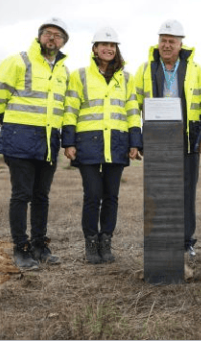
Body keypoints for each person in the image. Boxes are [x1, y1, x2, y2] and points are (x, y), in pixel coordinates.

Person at [0, 17, 70, 270]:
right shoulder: (18, 61)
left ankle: (39, 245)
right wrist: (10, 123)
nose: (52, 38)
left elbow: (63, 107)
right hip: (20, 140)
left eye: (58, 35)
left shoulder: (62, 71)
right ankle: (21, 248)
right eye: (48, 33)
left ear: (64, 42)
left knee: (41, 196)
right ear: (39, 36)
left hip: (48, 141)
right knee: (21, 195)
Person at [134, 19, 201, 260]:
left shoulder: (195, 70)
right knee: (158, 191)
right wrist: (136, 138)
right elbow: (133, 104)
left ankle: (185, 241)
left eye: (171, 41)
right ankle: (160, 239)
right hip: (156, 137)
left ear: (181, 44)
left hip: (187, 137)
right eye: (163, 40)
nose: (166, 45)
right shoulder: (145, 69)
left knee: (186, 191)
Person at [62, 26, 142, 264]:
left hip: (117, 143)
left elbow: (132, 111)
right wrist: (68, 141)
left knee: (111, 196)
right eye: (103, 45)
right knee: (92, 195)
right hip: (88, 143)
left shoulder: (126, 78)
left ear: (116, 50)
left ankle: (106, 242)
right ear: (95, 49)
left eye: (112, 45)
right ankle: (91, 243)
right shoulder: (80, 75)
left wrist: (134, 142)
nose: (108, 48)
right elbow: (70, 110)